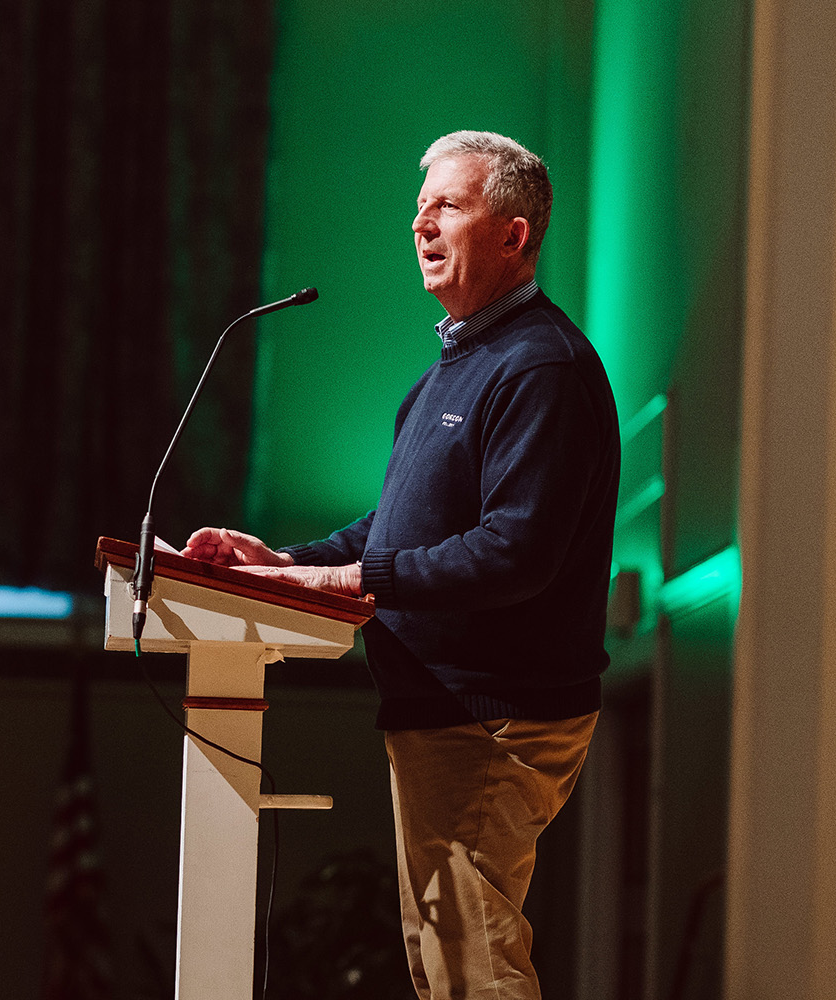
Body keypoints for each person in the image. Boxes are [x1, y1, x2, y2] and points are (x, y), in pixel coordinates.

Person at [184, 130, 619, 1000]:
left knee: (471, 965)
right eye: (419, 208)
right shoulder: (446, 374)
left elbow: (513, 556)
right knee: (443, 960)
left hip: (494, 715)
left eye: (448, 205)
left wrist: (339, 584)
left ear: (514, 233)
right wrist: (282, 562)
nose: (421, 224)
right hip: (438, 710)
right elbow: (395, 527)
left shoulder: (542, 367)